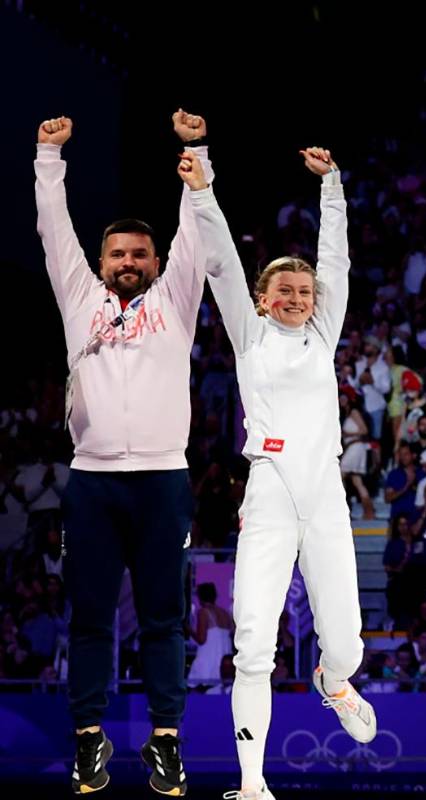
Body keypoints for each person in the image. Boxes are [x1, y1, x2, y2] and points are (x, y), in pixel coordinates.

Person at [180, 145, 375, 800]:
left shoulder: (323, 335)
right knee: (256, 643)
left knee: (346, 646)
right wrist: (204, 182)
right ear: (262, 302)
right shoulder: (250, 333)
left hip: (324, 498)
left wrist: (333, 190)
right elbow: (223, 267)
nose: (296, 297)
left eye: (304, 291)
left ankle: (335, 681)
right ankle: (253, 782)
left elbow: (337, 261)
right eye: (283, 291)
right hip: (268, 493)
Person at [37, 111, 206, 796]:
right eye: (118, 255)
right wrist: (49, 157)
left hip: (165, 479)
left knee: (165, 618)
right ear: (102, 263)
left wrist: (196, 153)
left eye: (140, 254)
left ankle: (166, 740)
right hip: (94, 483)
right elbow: (54, 234)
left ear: (157, 263)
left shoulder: (178, 299)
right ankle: (88, 739)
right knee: (89, 619)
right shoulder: (79, 299)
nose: (129, 263)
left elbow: (197, 230)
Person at [187, 583, 234, 689]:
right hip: (224, 661)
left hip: (208, 661)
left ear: (200, 597)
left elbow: (201, 639)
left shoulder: (203, 612)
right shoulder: (225, 613)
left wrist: (187, 628)